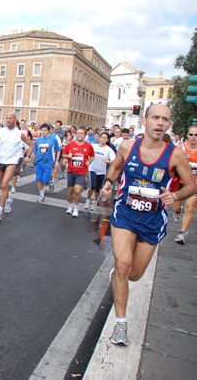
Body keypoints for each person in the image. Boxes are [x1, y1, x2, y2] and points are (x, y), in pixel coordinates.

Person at [101, 104, 196, 346]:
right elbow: (117, 165)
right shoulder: (128, 145)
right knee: (123, 265)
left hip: (153, 220)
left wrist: (174, 196)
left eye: (165, 119)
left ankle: (121, 275)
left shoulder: (174, 154)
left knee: (134, 274)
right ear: (145, 120)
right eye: (156, 117)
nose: (160, 123)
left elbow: (192, 185)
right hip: (125, 213)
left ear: (169, 124)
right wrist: (109, 181)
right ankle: (120, 325)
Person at [0, 111, 33, 220]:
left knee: (4, 185)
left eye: (10, 118)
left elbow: (31, 144)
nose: (8, 120)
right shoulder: (1, 131)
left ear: (15, 120)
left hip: (12, 161)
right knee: (2, 186)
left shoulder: (19, 133)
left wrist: (29, 156)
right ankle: (8, 199)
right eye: (7, 118)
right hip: (0, 161)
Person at [62, 127, 94, 217]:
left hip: (81, 172)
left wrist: (89, 161)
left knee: (77, 191)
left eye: (82, 133)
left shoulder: (88, 146)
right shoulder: (70, 145)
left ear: (85, 135)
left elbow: (92, 155)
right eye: (78, 133)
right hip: (71, 171)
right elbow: (64, 154)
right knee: (70, 190)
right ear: (76, 134)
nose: (80, 135)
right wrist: (68, 156)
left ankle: (76, 208)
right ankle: (70, 205)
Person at [173, 125, 197, 244]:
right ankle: (177, 212)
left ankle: (182, 234)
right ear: (187, 135)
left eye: (196, 135)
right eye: (191, 134)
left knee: (190, 207)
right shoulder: (180, 148)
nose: (193, 137)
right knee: (176, 207)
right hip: (181, 182)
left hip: (194, 183)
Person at [84, 132, 116, 210]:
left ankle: (95, 202)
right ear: (99, 138)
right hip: (92, 168)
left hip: (101, 171)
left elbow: (114, 160)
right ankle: (88, 201)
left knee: (98, 188)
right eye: (102, 137)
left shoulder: (109, 149)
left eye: (105, 138)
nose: (103, 139)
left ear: (107, 140)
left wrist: (107, 161)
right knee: (92, 186)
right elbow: (87, 154)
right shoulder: (93, 146)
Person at [33, 123, 61, 202]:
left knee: (45, 181)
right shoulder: (38, 140)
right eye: (42, 130)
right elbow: (35, 151)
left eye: (45, 130)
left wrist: (57, 160)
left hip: (48, 163)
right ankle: (41, 195)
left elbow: (58, 150)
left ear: (48, 131)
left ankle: (50, 183)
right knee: (39, 180)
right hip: (38, 162)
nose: (43, 132)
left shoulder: (53, 139)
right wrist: (30, 158)